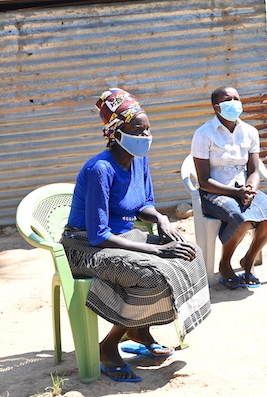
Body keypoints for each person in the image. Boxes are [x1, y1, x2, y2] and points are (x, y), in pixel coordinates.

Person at [62, 88, 211, 383]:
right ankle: (107, 346)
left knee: (189, 252)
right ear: (116, 132)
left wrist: (160, 219)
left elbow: (143, 205)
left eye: (148, 129)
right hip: (85, 246)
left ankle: (139, 328)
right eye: (138, 129)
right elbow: (98, 234)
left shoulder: (138, 160)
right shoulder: (100, 170)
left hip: (123, 236)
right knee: (153, 274)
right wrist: (155, 251)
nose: (146, 135)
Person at [191, 85, 267, 290]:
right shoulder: (203, 133)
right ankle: (225, 264)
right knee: (240, 217)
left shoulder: (250, 132)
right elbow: (204, 180)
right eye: (228, 100)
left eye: (236, 98)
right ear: (216, 107)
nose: (234, 103)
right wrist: (236, 193)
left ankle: (248, 261)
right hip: (214, 192)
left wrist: (250, 189)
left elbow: (253, 170)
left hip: (243, 189)